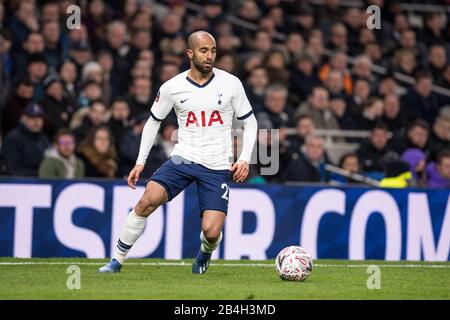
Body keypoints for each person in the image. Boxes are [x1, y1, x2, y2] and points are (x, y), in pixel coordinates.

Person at [98, 31, 258, 274]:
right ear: (190, 53)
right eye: (204, 50)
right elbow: (153, 122)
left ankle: (205, 252)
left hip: (217, 166)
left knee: (212, 232)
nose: (210, 56)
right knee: (146, 201)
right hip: (183, 158)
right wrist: (140, 162)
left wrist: (244, 157)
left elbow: (251, 122)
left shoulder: (231, 83)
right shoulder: (172, 87)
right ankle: (116, 261)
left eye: (213, 51)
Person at [1, 103, 50, 176]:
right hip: (21, 183)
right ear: (24, 118)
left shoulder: (44, 139)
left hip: (42, 181)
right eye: (32, 118)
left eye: (39, 118)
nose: (36, 122)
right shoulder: (13, 139)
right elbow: (12, 169)